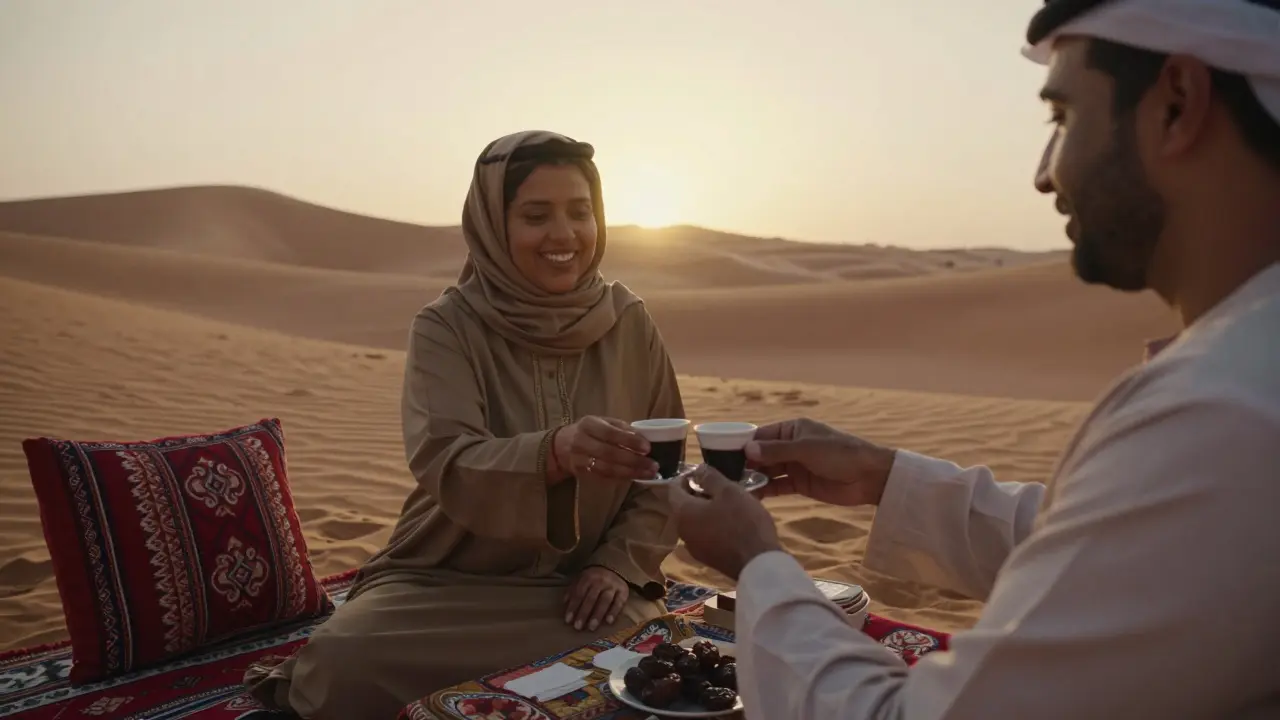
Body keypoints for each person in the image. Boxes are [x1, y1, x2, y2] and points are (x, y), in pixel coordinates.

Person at [668, 0, 1280, 717]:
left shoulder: (1223, 411)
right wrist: (885, 477)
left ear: (1176, 104)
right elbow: (1119, 553)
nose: (1045, 176)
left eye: (1062, 119)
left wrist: (759, 567)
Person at [245, 130, 685, 719]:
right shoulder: (446, 327)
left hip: (576, 589)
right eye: (536, 215)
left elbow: (667, 470)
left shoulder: (630, 322)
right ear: (492, 226)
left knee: (640, 647)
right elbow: (445, 457)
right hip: (445, 583)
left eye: (580, 212)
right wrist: (553, 452)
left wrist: (619, 564)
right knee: (341, 665)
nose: (564, 235)